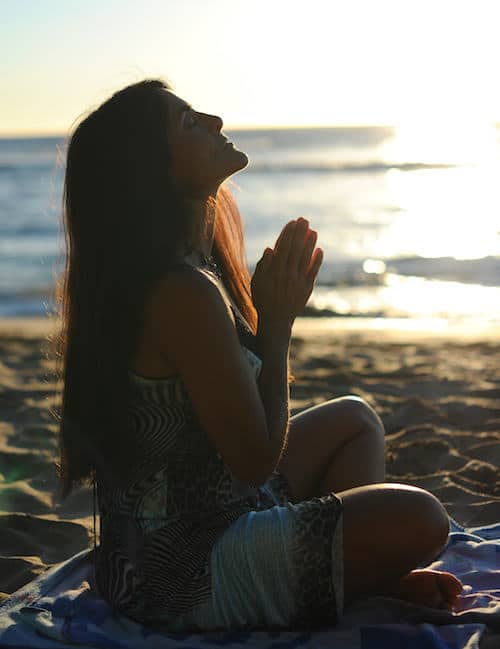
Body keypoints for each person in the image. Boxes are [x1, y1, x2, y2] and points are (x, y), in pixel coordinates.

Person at [56, 78, 463, 632]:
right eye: (190, 122)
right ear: (152, 170)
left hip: (198, 523)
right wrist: (276, 325)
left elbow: (240, 461)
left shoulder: (192, 268)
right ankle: (364, 578)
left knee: (354, 420)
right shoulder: (180, 292)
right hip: (182, 574)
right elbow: (254, 460)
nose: (215, 120)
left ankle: (366, 576)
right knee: (421, 516)